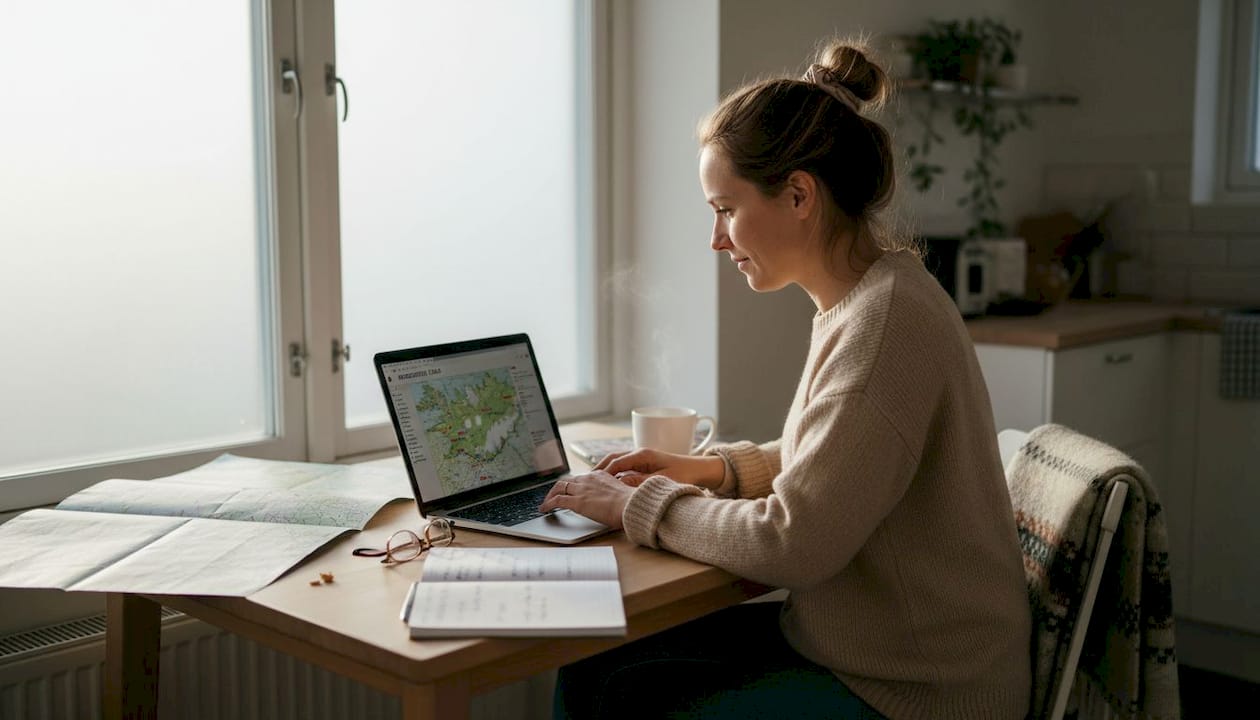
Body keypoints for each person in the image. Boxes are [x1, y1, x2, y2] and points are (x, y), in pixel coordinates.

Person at [539, 38, 1032, 720]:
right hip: (864, 650)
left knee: (616, 692)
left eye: (725, 208)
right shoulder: (870, 297)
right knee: (594, 665)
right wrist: (707, 472)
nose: (716, 239)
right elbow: (840, 461)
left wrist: (635, 505)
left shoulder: (884, 326)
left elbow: (793, 543)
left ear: (799, 194)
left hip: (918, 691)